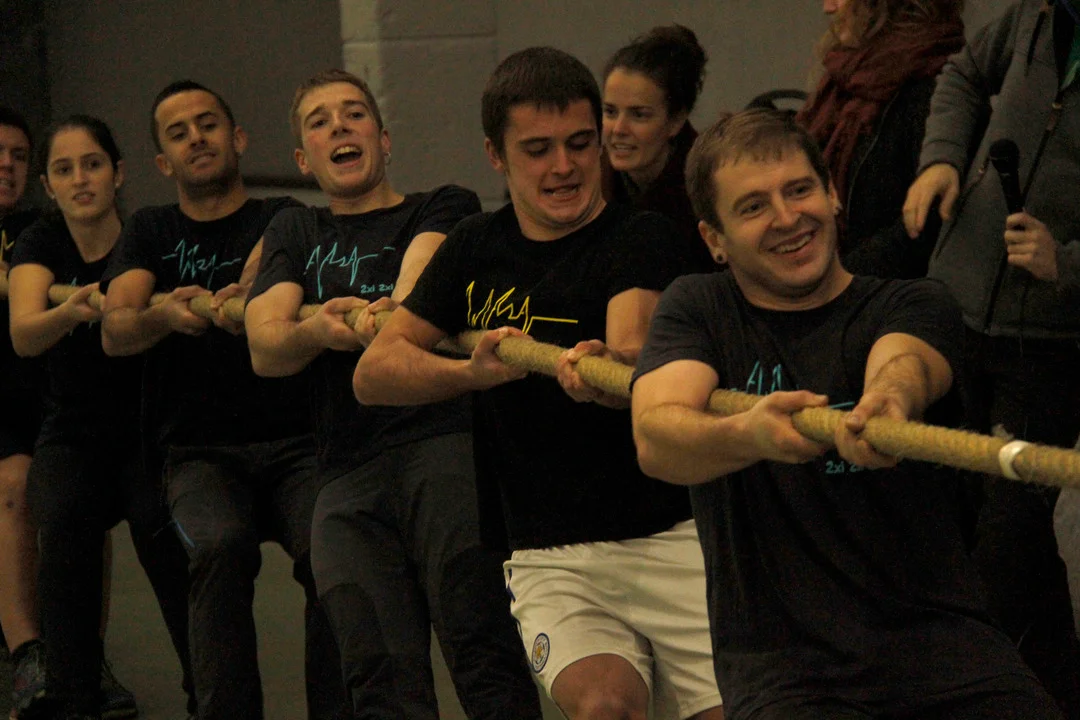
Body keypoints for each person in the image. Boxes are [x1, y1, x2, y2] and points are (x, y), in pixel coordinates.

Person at [630, 107, 1061, 720]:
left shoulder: (914, 300)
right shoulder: (699, 308)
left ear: (832, 194)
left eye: (799, 189)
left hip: (948, 654)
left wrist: (887, 405)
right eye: (753, 207)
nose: (787, 218)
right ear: (715, 240)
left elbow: (905, 366)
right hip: (788, 679)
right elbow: (656, 436)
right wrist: (751, 433)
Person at [354, 47, 723, 720]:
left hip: (670, 541)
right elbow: (374, 372)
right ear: (495, 155)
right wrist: (469, 373)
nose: (564, 167)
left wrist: (610, 373)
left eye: (580, 144)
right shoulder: (475, 246)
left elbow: (631, 342)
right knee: (605, 707)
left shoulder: (641, 236)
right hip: (552, 555)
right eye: (538, 149)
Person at [244, 68, 542, 719]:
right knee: (378, 677)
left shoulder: (442, 205)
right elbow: (265, 347)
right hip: (344, 471)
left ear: (382, 138)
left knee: (482, 649)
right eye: (319, 121)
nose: (339, 127)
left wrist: (371, 320)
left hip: (442, 450)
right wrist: (317, 329)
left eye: (354, 114)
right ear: (303, 159)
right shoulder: (297, 230)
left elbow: (415, 292)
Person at [99, 81, 346, 720]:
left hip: (297, 445)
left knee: (333, 549)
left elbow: (275, 259)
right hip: (198, 454)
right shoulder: (151, 228)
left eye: (208, 124)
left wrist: (249, 288)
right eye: (178, 133)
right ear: (163, 162)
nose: (196, 138)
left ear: (237, 138)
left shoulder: (282, 215)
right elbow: (115, 329)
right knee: (218, 546)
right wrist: (163, 318)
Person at [902, 1, 1080, 713]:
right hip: (957, 306)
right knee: (961, 526)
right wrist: (942, 160)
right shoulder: (1034, 15)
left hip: (1051, 347)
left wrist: (1067, 262)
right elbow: (963, 74)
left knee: (1006, 545)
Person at [6, 115, 185, 720]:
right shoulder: (40, 243)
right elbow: (25, 335)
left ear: (118, 173)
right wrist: (72, 311)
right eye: (64, 170)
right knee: (60, 521)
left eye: (92, 164)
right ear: (49, 186)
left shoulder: (147, 234)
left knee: (164, 531)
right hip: (73, 433)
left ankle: (207, 692)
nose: (80, 179)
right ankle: (74, 696)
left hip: (148, 432)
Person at [795, 0, 964, 278]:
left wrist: (835, 281)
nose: (828, 7)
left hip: (886, 295)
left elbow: (927, 228)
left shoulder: (938, 90)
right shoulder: (847, 75)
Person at [602, 24, 716, 273]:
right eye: (610, 112)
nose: (618, 129)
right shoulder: (589, 177)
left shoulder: (709, 188)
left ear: (676, 121)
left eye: (639, 115)